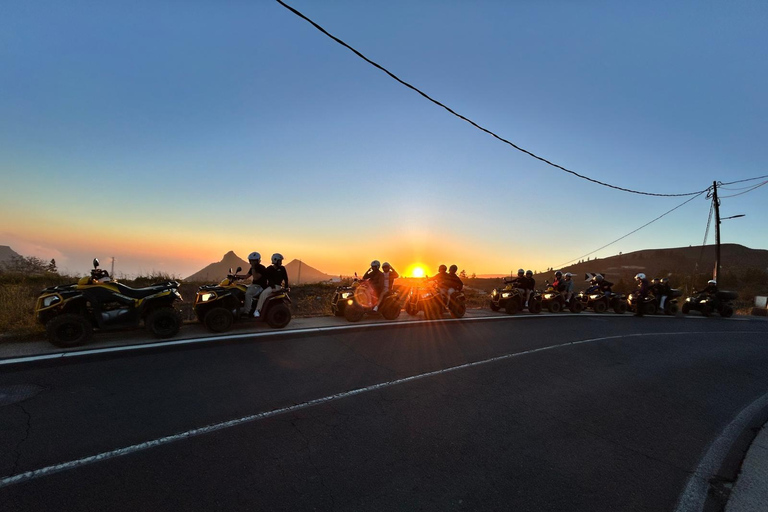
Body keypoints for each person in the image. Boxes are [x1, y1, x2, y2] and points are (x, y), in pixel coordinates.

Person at [241, 251, 267, 317]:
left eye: (253, 261)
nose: (251, 262)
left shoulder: (261, 268)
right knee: (241, 289)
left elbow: (255, 277)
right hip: (254, 286)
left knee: (248, 294)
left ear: (257, 261)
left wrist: (253, 268)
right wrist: (235, 276)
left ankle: (246, 312)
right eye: (251, 261)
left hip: (260, 286)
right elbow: (246, 276)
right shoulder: (252, 268)